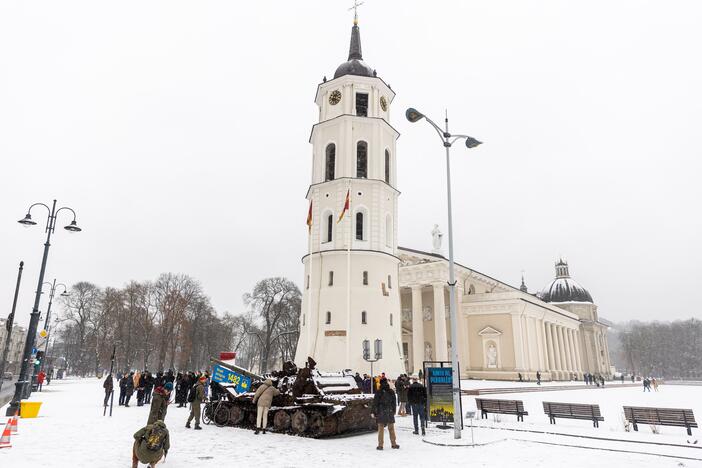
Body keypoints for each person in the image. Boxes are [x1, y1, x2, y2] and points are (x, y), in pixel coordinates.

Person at [372, 378, 399, 450]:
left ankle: (380, 445)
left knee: (381, 429)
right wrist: (393, 411)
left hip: (381, 411)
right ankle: (394, 444)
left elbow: (375, 403)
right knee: (391, 428)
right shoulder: (391, 391)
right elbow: (394, 402)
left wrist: (373, 412)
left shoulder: (378, 392)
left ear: (380, 383)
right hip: (389, 410)